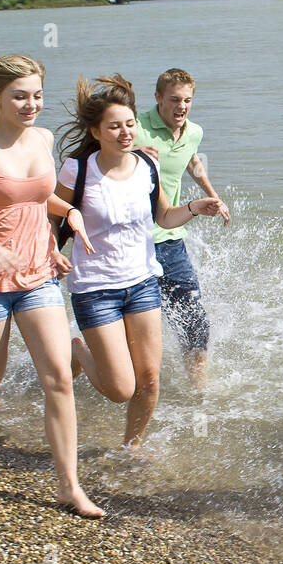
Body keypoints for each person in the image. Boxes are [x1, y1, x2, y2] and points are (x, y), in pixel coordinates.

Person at [0, 53, 104, 518]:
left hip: (37, 276)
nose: (32, 105)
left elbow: (33, 195)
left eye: (37, 95)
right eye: (20, 96)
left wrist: (63, 215)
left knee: (58, 380)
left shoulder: (43, 139)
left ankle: (69, 486)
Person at [53, 75, 224, 450]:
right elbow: (51, 214)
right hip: (96, 288)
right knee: (120, 388)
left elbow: (163, 217)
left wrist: (196, 207)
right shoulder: (77, 169)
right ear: (96, 131)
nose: (125, 131)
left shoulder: (146, 166)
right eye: (114, 126)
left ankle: (132, 445)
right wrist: (52, 249)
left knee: (148, 381)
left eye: (129, 123)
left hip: (143, 282)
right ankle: (79, 349)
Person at [136, 69, 229, 390]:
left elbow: (193, 161)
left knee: (194, 320)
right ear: (158, 97)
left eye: (188, 100)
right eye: (174, 99)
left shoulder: (193, 132)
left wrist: (215, 196)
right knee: (134, 320)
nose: (182, 106)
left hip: (171, 240)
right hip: (133, 243)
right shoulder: (134, 128)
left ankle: (196, 387)